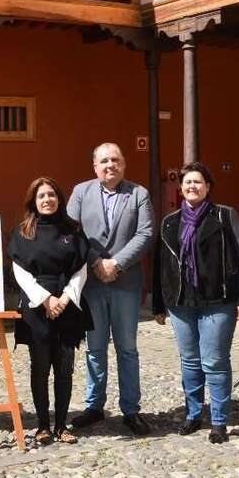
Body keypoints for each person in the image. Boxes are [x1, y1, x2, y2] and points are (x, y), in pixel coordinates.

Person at [152, 162, 239, 444]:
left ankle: (220, 421)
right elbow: (161, 264)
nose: (192, 186)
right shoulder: (169, 221)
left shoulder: (225, 215)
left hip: (217, 300)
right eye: (187, 182)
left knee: (215, 361)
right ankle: (194, 414)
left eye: (198, 182)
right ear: (181, 187)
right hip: (181, 302)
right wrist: (159, 305)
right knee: (190, 361)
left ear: (208, 187)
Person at [66, 142, 154, 436]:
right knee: (95, 347)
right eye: (104, 161)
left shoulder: (139, 194)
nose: (110, 165)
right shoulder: (81, 192)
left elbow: (145, 233)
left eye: (115, 160)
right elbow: (71, 231)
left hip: (126, 283)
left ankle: (131, 410)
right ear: (94, 166)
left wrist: (116, 263)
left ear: (124, 163)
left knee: (127, 348)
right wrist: (96, 262)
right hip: (91, 283)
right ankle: (94, 406)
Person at [9, 177, 94, 445]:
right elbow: (20, 271)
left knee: (64, 369)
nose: (47, 200)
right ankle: (43, 426)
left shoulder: (73, 230)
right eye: (41, 196)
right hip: (37, 308)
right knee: (40, 367)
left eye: (52, 195)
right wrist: (46, 300)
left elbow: (81, 268)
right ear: (33, 201)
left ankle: (61, 425)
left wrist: (65, 298)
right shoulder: (23, 232)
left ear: (59, 199)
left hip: (68, 307)